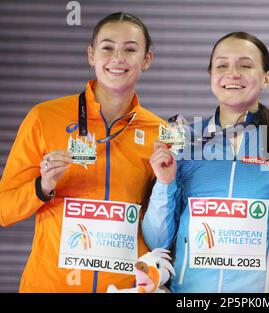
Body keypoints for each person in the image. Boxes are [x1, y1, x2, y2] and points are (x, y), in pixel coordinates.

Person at [0, 12, 164, 292]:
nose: (117, 58)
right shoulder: (44, 117)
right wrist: (43, 186)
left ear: (147, 59)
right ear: (91, 55)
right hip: (51, 285)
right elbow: (4, 209)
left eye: (130, 49)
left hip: (125, 288)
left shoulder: (159, 132)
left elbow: (163, 220)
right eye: (107, 47)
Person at [142, 32, 269, 293]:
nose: (233, 73)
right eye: (222, 65)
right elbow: (157, 241)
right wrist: (165, 183)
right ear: (211, 76)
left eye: (245, 65)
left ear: (266, 77)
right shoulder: (185, 142)